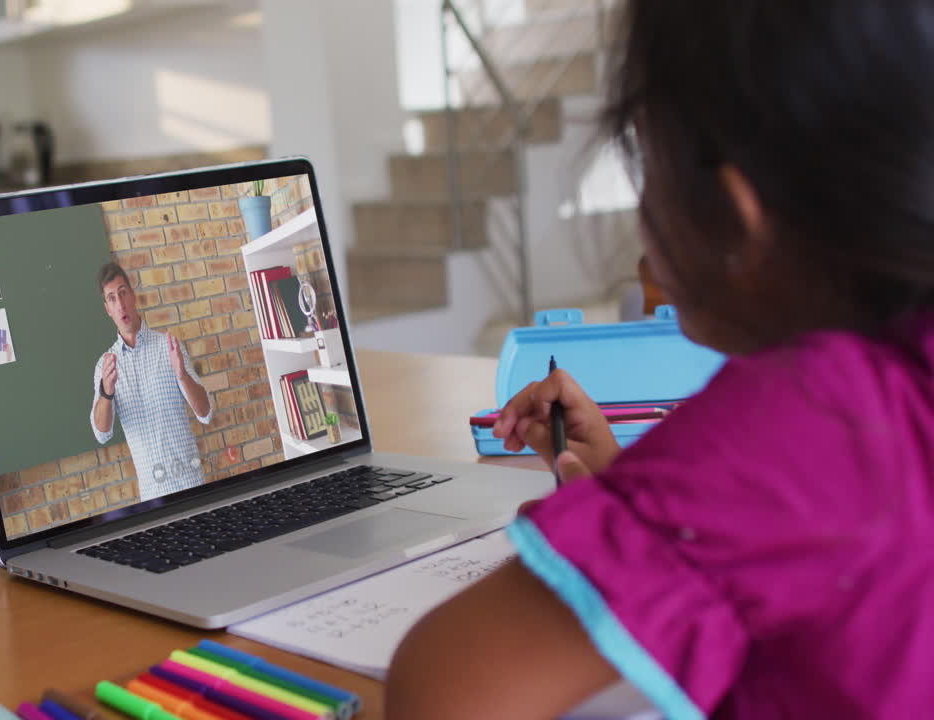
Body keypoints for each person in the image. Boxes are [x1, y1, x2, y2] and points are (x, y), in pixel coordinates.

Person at [387, 0, 934, 717]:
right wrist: (631, 497)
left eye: (645, 160)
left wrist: (646, 516)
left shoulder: (807, 418)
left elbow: (442, 693)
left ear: (739, 217)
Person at [90, 262, 213, 499]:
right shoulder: (105, 366)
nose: (121, 303)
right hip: (153, 497)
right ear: (108, 309)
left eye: (123, 293)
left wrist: (182, 376)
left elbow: (205, 413)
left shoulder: (168, 346)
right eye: (112, 298)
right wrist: (106, 392)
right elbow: (101, 433)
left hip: (192, 487)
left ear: (133, 295)